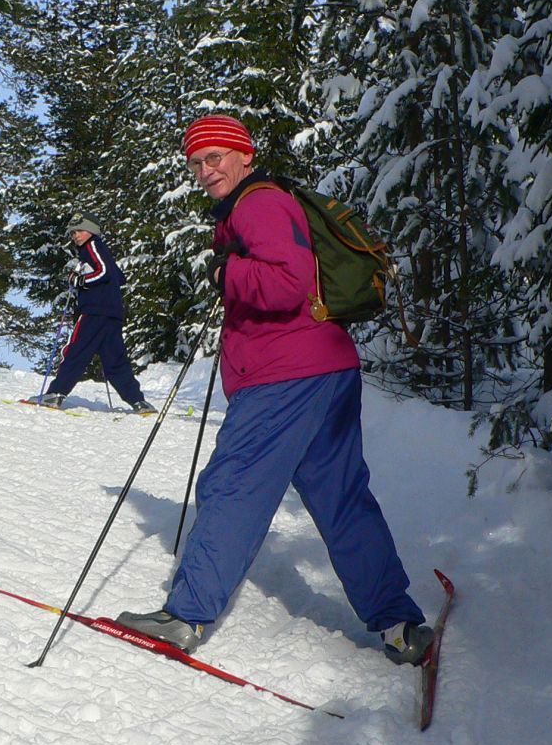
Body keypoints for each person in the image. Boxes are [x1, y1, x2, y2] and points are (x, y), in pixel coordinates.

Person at [116, 114, 433, 665]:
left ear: (244, 155)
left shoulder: (256, 203)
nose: (205, 170)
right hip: (326, 367)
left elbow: (287, 283)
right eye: (195, 162)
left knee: (234, 485)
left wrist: (225, 275)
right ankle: (398, 623)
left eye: (215, 157)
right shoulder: (262, 202)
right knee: (341, 500)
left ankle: (187, 614)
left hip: (286, 375)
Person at [28, 216, 156, 414]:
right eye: (72, 232)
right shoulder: (98, 250)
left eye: (79, 230)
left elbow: (103, 272)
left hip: (94, 312)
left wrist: (80, 280)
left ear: (91, 230)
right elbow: (117, 276)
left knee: (76, 350)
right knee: (115, 360)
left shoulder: (92, 245)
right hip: (111, 314)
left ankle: (56, 393)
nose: (76, 235)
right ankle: (138, 402)